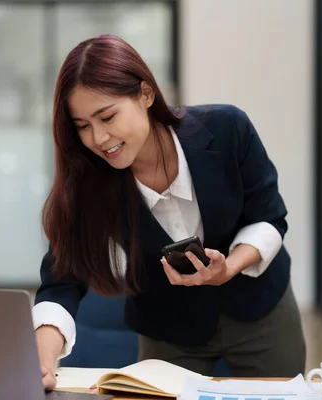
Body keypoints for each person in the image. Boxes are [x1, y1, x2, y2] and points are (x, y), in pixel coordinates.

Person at [32, 34, 306, 391]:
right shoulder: (89, 181)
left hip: (260, 310)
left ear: (146, 94)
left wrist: (231, 266)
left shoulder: (227, 130)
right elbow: (62, 278)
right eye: (83, 126)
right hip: (168, 329)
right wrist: (40, 360)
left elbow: (268, 217)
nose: (99, 138)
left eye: (107, 116)